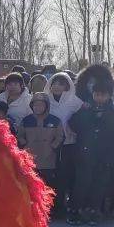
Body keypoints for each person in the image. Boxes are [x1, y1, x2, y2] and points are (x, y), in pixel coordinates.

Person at [69, 67, 114, 225]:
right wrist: (86, 113)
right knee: (82, 182)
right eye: (97, 94)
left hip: (105, 153)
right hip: (85, 152)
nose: (99, 97)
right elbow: (74, 125)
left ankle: (94, 210)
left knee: (100, 183)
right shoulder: (85, 109)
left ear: (109, 95)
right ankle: (76, 210)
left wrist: (105, 116)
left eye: (103, 95)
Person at [47, 72, 84, 217]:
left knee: (66, 174)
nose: (57, 86)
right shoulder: (46, 99)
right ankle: (53, 205)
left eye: (61, 83)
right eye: (55, 83)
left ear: (67, 86)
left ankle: (66, 205)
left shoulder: (74, 101)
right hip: (49, 143)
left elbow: (82, 119)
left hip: (69, 143)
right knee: (51, 174)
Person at [18, 92, 64, 189]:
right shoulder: (26, 120)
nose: (37, 107)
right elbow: (20, 135)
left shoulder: (55, 120)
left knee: (47, 187)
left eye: (41, 105)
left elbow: (60, 136)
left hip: (48, 160)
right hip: (30, 159)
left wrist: (53, 147)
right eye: (35, 105)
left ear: (46, 106)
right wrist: (25, 144)